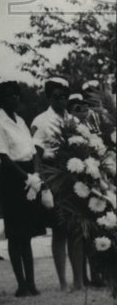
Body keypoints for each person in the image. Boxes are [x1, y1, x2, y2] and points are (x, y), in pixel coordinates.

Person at [0, 81, 45, 297]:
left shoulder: (19, 120)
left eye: (17, 95)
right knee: (14, 232)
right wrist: (26, 177)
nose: (15, 99)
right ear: (0, 99)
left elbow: (32, 151)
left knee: (26, 232)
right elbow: (3, 157)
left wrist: (35, 175)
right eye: (9, 96)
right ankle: (21, 283)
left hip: (29, 174)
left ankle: (31, 282)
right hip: (12, 176)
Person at [32, 77, 85, 292]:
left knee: (76, 229)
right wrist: (42, 184)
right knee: (60, 230)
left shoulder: (75, 121)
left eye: (64, 96)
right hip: (54, 175)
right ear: (48, 97)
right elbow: (36, 155)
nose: (61, 101)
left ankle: (79, 281)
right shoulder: (41, 121)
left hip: (74, 176)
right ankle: (63, 281)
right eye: (56, 96)